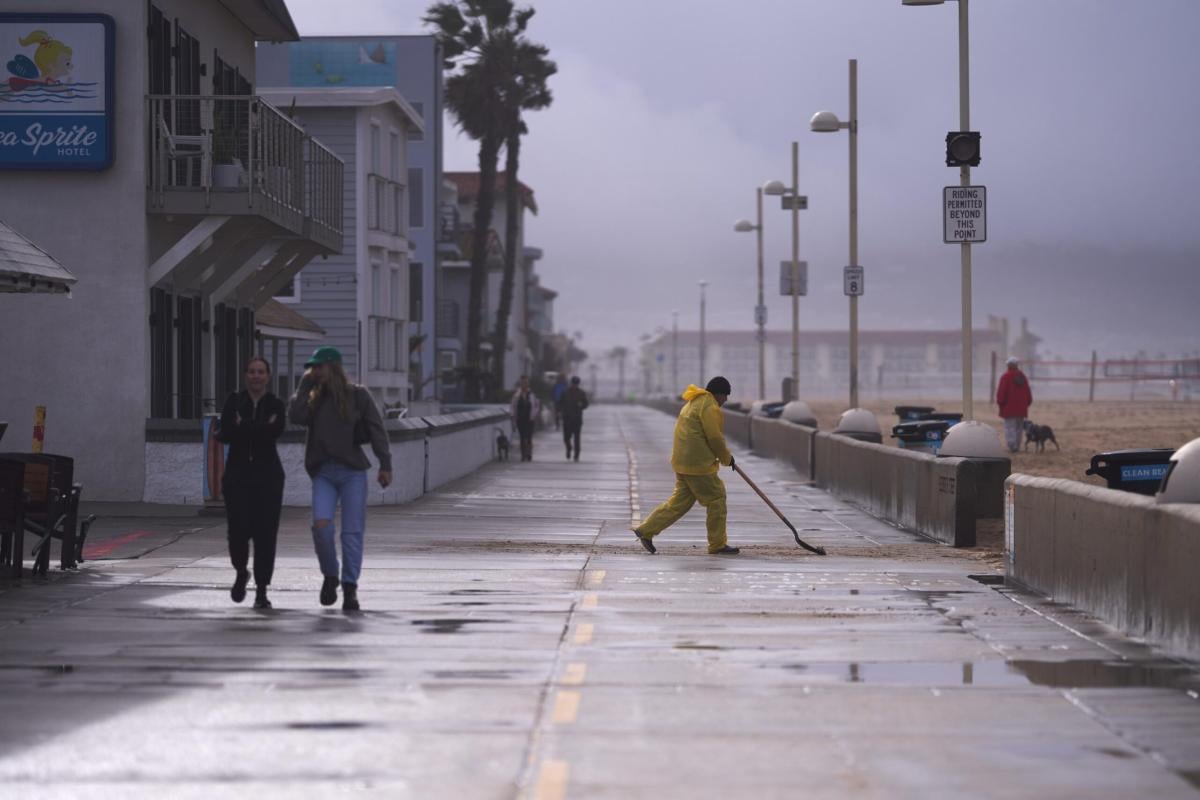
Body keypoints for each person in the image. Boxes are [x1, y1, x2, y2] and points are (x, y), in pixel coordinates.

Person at [288, 346, 391, 611]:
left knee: (351, 533)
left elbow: (377, 430)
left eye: (318, 367)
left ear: (332, 367)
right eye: (312, 367)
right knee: (321, 527)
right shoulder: (314, 398)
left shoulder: (357, 395)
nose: (315, 371)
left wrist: (385, 464)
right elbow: (295, 417)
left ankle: (349, 588)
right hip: (323, 472)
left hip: (352, 472)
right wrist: (303, 385)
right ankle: (330, 575)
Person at [632, 377, 739, 555]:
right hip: (699, 465)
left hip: (683, 462)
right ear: (718, 393)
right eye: (725, 396)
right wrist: (727, 459)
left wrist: (725, 458)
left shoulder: (694, 403)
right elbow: (714, 438)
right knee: (717, 499)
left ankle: (646, 530)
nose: (726, 400)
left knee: (678, 503)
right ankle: (718, 544)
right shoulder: (710, 407)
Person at [216, 357, 286, 609]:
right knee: (238, 533)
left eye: (261, 372)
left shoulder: (276, 404)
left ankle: (262, 590)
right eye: (252, 372)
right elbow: (227, 430)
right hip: (238, 478)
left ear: (268, 376)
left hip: (268, 479)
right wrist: (257, 428)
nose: (256, 376)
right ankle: (240, 571)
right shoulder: (234, 402)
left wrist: (243, 426)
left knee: (266, 536)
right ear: (246, 375)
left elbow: (274, 431)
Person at [996, 356, 1033, 453]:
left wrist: (1000, 403)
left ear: (1008, 365)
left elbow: (1001, 393)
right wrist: (1026, 403)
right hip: (1021, 408)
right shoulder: (1022, 377)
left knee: (1009, 427)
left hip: (1008, 408)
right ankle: (1017, 445)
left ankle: (1012, 446)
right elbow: (1028, 393)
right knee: (1018, 428)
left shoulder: (1005, 377)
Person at [510, 375, 541, 462]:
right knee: (522, 437)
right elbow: (512, 406)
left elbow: (536, 406)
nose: (524, 384)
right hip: (520, 419)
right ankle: (523, 454)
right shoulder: (516, 395)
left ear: (528, 384)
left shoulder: (532, 395)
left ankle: (529, 453)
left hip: (529, 419)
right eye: (523, 383)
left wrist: (534, 415)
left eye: (526, 383)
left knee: (529, 437)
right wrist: (512, 415)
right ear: (521, 384)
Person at [561, 376, 589, 461]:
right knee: (566, 437)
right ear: (571, 383)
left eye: (576, 384)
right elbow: (560, 403)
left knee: (577, 438)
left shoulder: (581, 393)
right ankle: (569, 448)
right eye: (573, 384)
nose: (574, 385)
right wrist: (560, 411)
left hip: (577, 419)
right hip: (567, 418)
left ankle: (576, 455)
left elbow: (586, 404)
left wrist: (582, 406)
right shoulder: (565, 392)